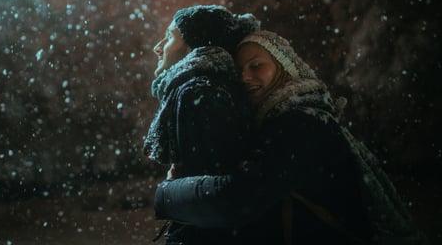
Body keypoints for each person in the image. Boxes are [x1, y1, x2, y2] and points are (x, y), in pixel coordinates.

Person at [153, 30, 407, 244]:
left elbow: (235, 200)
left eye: (256, 66)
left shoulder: (302, 124)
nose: (244, 77)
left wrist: (166, 194)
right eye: (239, 70)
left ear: (286, 69)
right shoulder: (294, 119)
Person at [144, 5, 259, 244]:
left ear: (194, 44)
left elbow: (210, 201)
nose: (157, 47)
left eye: (169, 37)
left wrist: (170, 191)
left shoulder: (198, 91)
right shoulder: (204, 86)